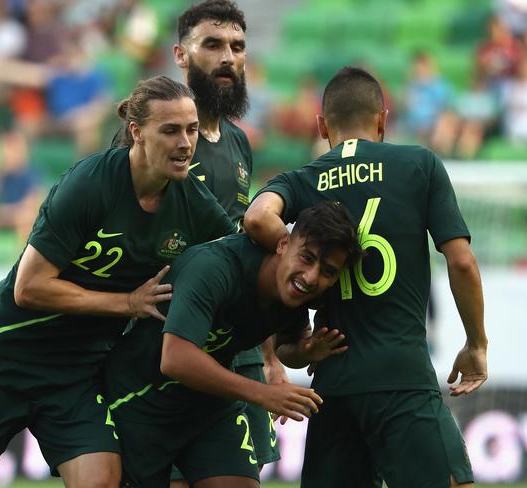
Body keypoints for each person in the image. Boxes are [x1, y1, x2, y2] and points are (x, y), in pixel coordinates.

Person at [0, 75, 235, 488]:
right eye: (170, 130)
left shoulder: (195, 205)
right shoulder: (91, 182)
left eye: (192, 129)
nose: (185, 143)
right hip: (2, 356)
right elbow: (30, 287)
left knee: (101, 480)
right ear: (137, 133)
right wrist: (127, 304)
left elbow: (242, 261)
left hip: (75, 373)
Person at [244, 66, 487, 488]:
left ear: (321, 126)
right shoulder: (419, 164)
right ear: (382, 119)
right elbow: (462, 262)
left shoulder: (301, 180)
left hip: (333, 388)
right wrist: (476, 343)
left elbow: (256, 217)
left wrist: (292, 254)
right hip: (401, 378)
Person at [105, 202, 362, 488]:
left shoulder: (297, 294)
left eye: (327, 271)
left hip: (209, 404)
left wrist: (305, 351)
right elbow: (175, 358)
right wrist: (264, 394)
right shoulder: (214, 267)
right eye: (306, 257)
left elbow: (287, 345)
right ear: (283, 244)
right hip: (141, 398)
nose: (311, 277)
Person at [171, 2, 287, 482]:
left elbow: (246, 254)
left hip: (236, 348)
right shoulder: (161, 132)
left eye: (237, 47)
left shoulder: (239, 142)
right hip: (171, 346)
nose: (227, 57)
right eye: (213, 45)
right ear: (181, 54)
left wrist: (271, 356)